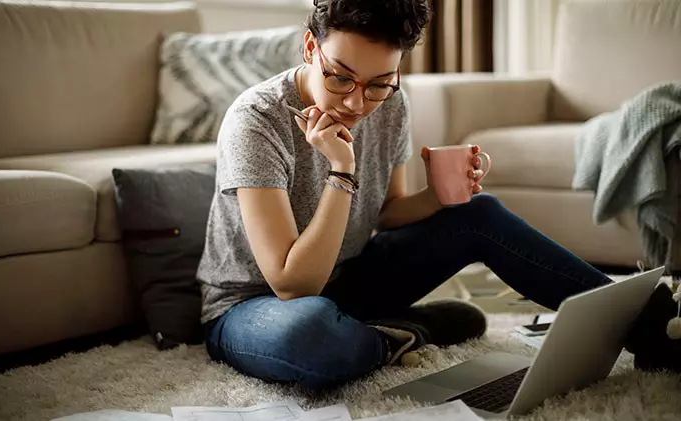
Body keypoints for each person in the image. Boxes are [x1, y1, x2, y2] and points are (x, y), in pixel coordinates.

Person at [196, 0, 613, 390]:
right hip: (254, 307)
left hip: (348, 279)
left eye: (379, 84)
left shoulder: (391, 104)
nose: (357, 103)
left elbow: (388, 213)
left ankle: (643, 317)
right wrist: (341, 170)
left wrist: (438, 196)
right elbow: (292, 284)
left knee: (478, 212)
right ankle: (407, 332)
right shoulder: (256, 121)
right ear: (310, 47)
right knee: (310, 334)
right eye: (340, 77)